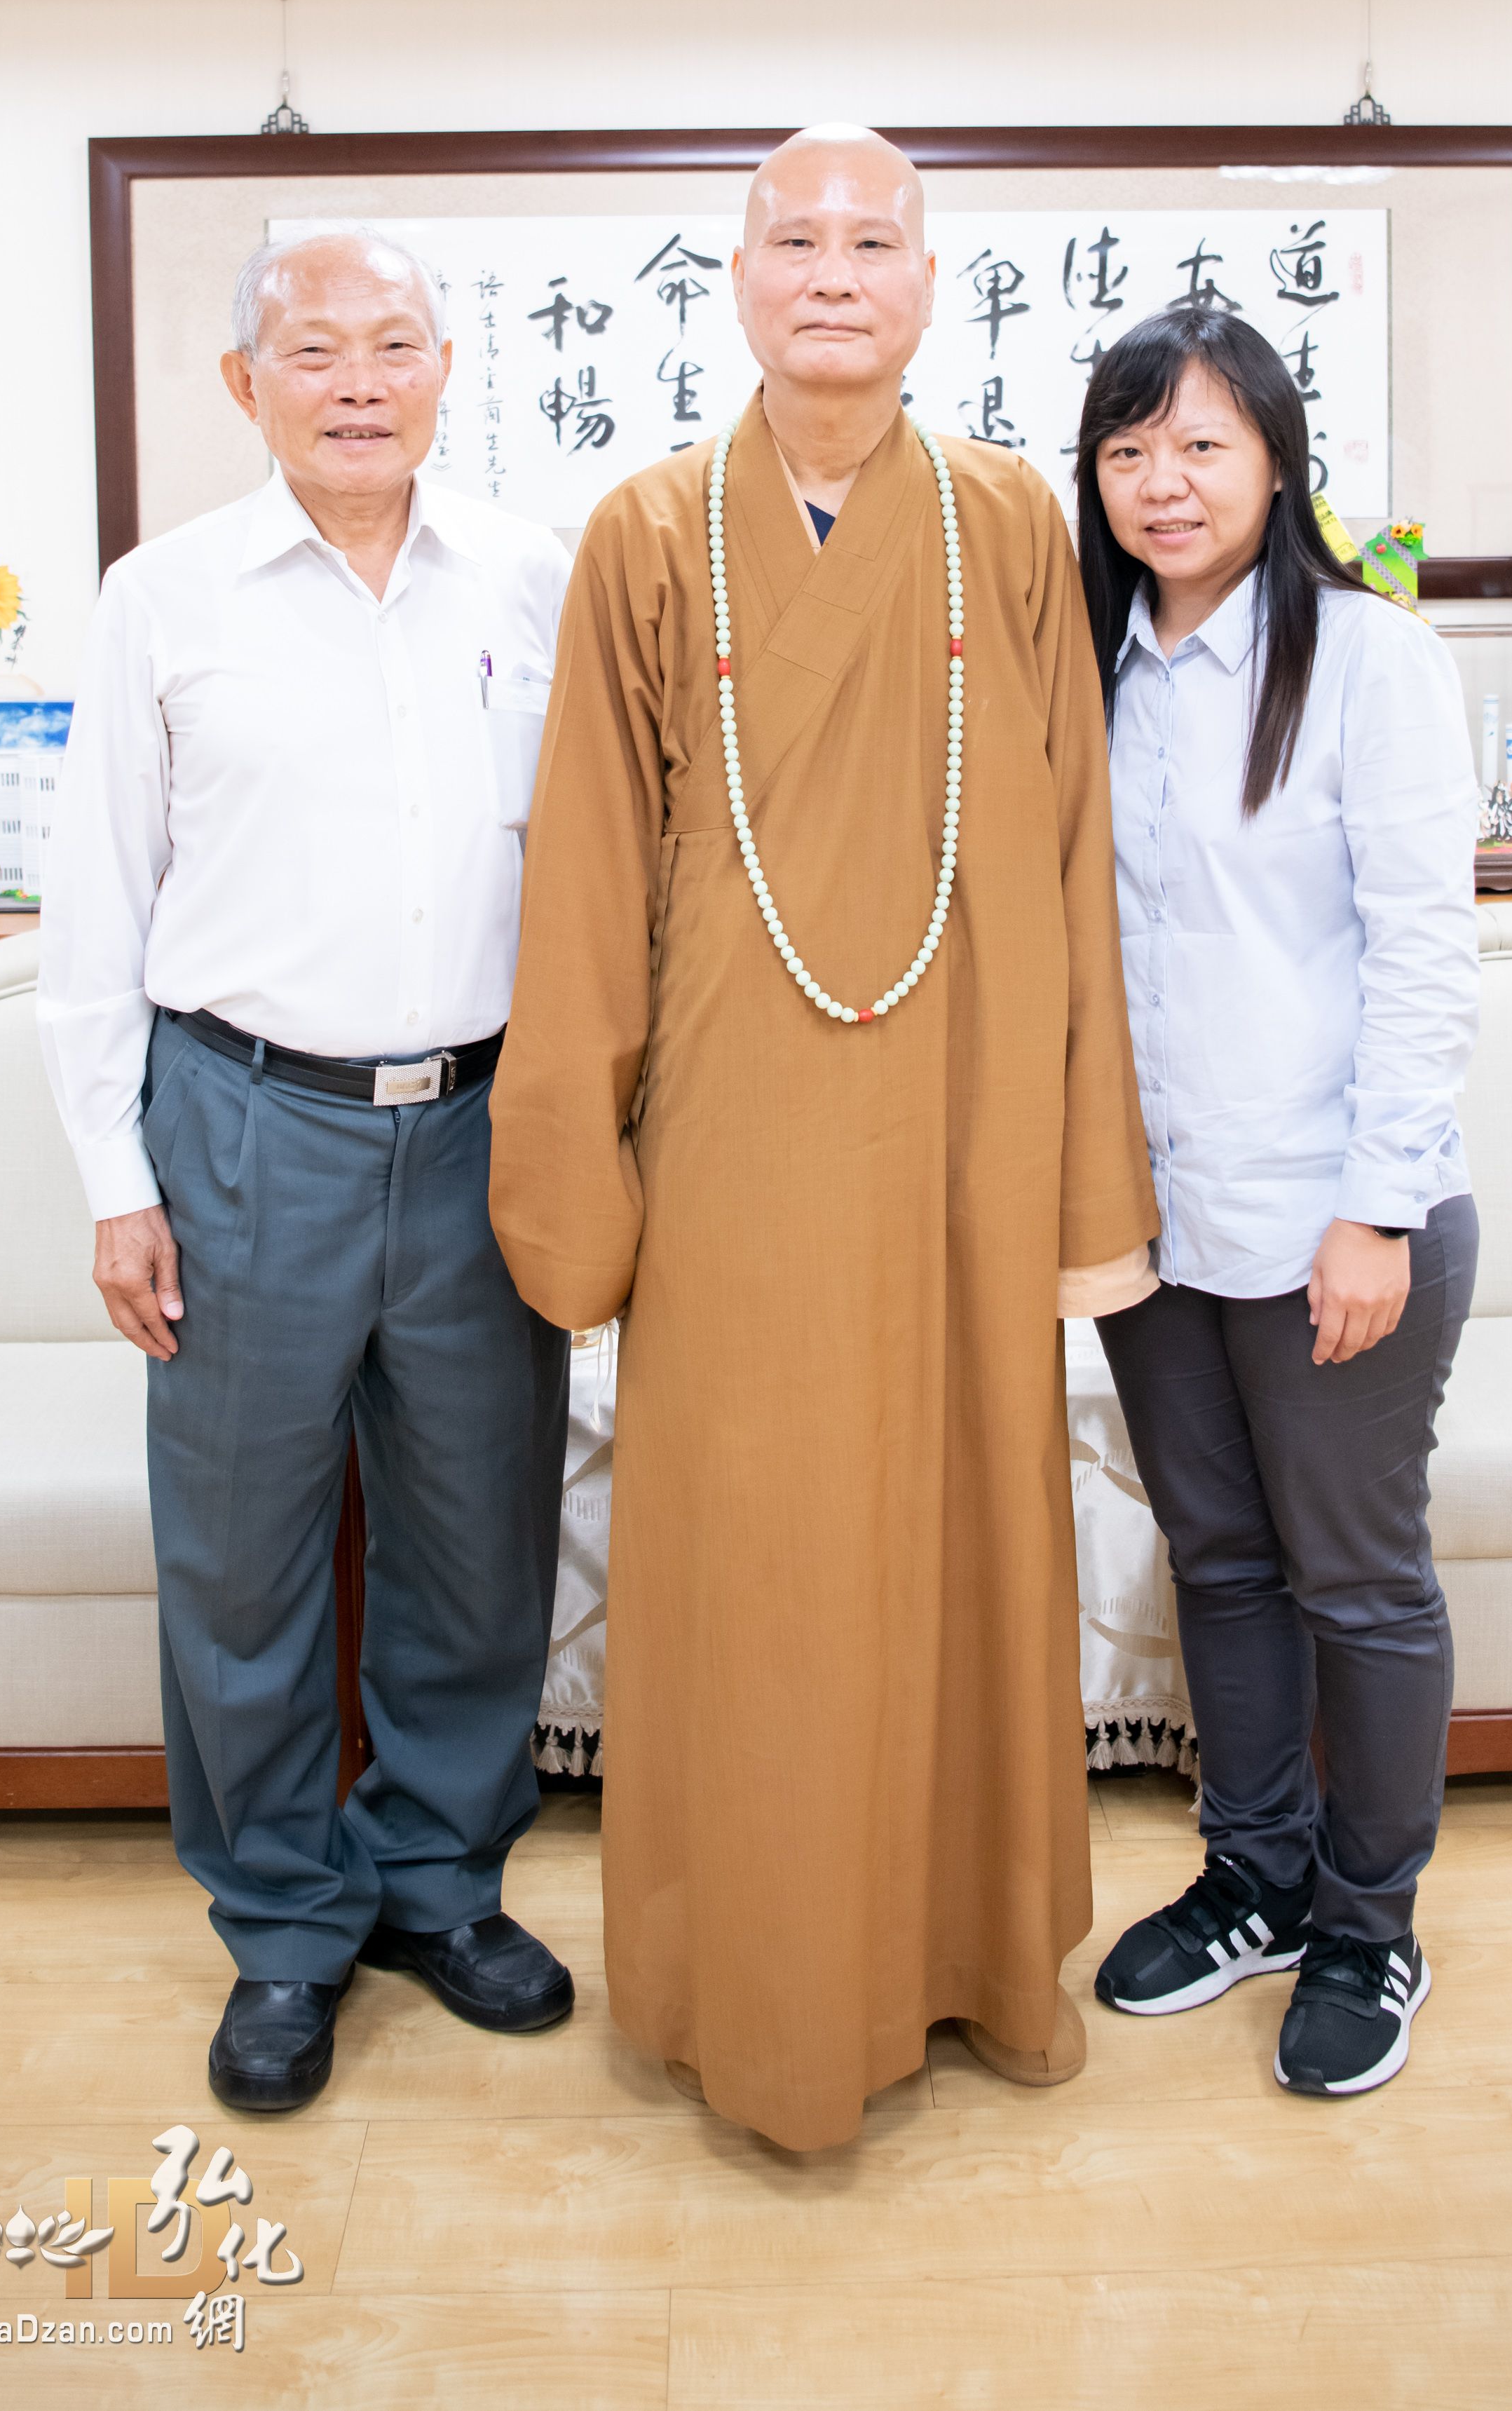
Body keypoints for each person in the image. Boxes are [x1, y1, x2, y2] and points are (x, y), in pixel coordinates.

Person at [489, 124, 1158, 2151]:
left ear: (930, 286)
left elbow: (1071, 854)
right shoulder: (644, 531)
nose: (837, 272)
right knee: (751, 1559)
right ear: (739, 280)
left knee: (961, 1537)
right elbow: (585, 881)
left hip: (960, 1118)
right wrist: (575, 1181)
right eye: (798, 240)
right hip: (734, 1139)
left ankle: (964, 1960)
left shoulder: (1006, 520)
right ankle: (749, 1993)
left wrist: (1079, 1173)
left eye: (876, 240)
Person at [39, 229, 575, 2114]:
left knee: (478, 1538)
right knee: (242, 1555)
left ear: (445, 369)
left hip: (483, 1125)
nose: (359, 382)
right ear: (244, 383)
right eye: (315, 349)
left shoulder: (532, 575)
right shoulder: (163, 597)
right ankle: (281, 1918)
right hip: (243, 1118)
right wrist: (116, 1176)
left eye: (394, 345)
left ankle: (438, 1881)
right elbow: (96, 904)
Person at [1079, 304, 1479, 2098]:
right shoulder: (1086, 668)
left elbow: (1424, 955)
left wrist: (1375, 1211)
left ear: (1273, 460)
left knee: (1356, 1582)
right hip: (1156, 1220)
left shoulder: (1370, 662)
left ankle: (1368, 1924)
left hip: (1338, 1214)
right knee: (1220, 1565)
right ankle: (1253, 1876)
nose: (1162, 483)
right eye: (1126, 450)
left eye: (1200, 445)